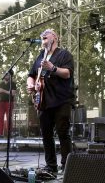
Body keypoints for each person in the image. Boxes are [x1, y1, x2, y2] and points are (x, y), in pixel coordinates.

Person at [26, 29, 75, 175]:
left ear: (55, 38)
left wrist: (52, 68)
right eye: (41, 39)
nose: (43, 41)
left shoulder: (64, 54)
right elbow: (31, 75)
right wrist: (31, 84)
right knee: (46, 134)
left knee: (62, 133)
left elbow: (67, 73)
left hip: (61, 100)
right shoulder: (41, 55)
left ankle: (67, 166)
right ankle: (51, 166)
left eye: (45, 38)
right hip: (43, 101)